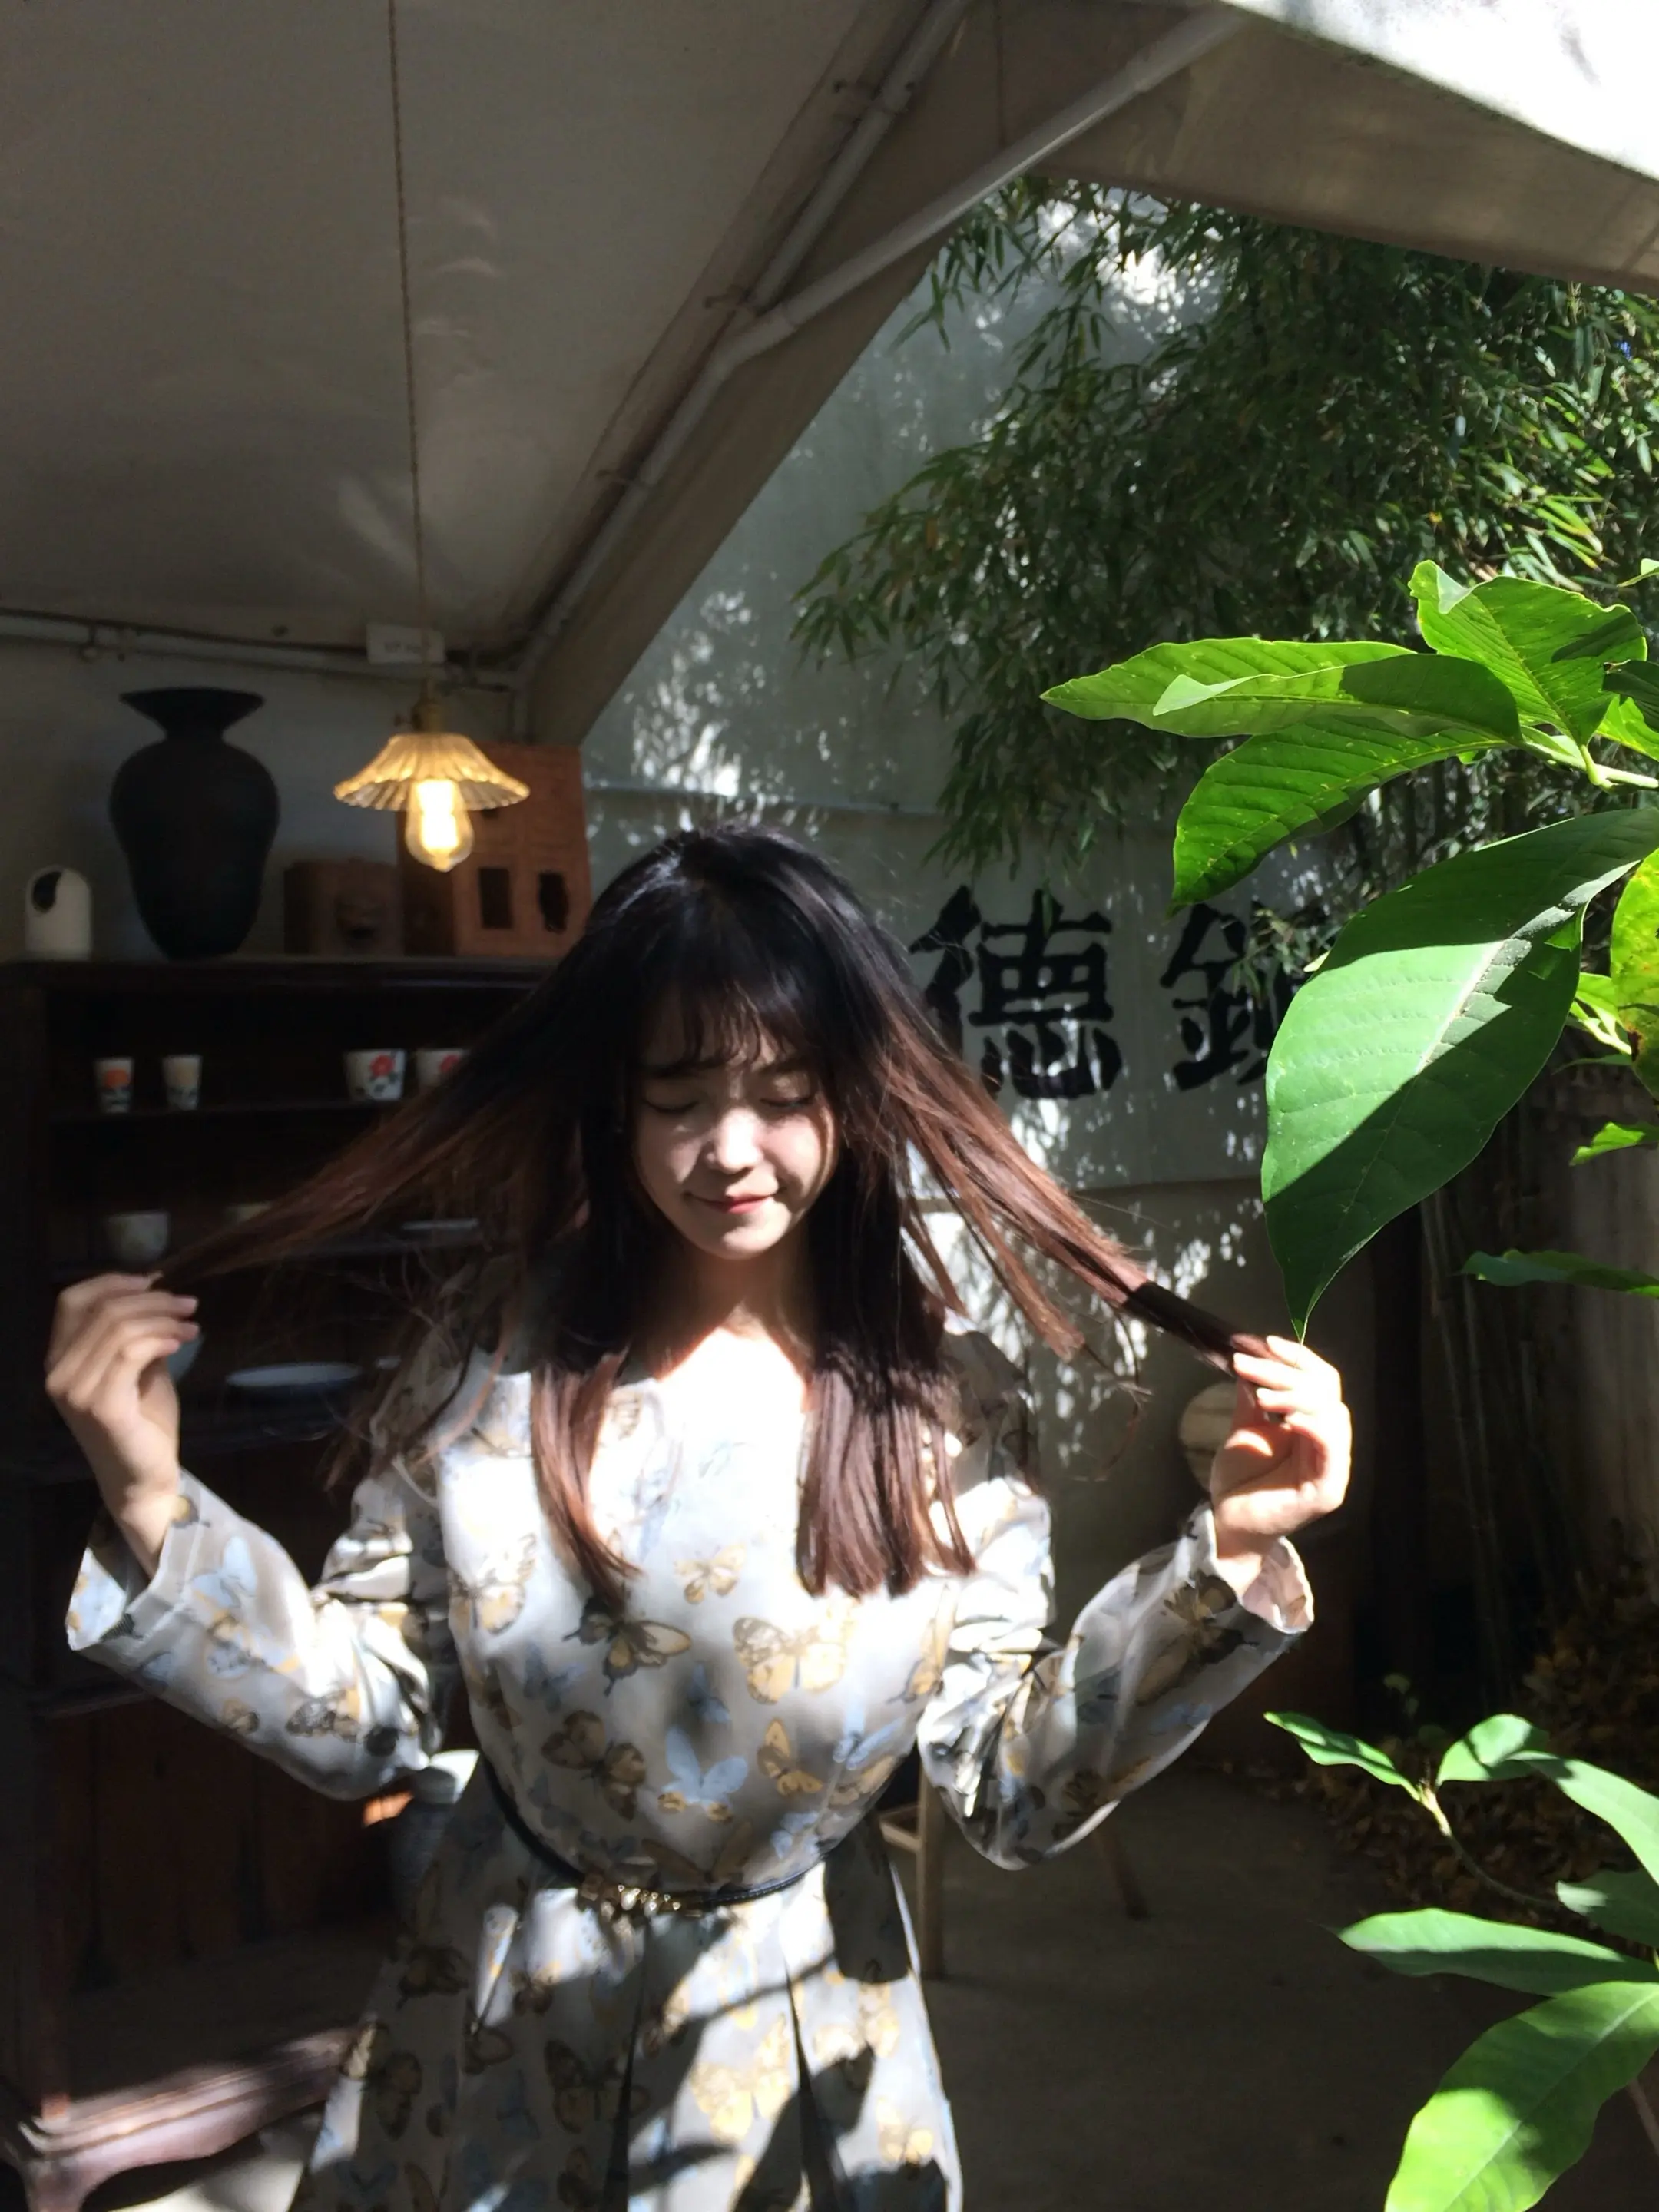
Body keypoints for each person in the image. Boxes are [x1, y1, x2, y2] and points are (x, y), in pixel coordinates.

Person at [50, 827, 1349, 2212]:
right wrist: (150, 1499)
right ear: (615, 1103)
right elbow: (364, 1716)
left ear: (855, 1096)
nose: (733, 1150)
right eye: (678, 1095)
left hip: (792, 2057)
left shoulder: (945, 1403)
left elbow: (1012, 1792)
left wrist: (1229, 1558)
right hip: (492, 2031)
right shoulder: (494, 1361)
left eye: (785, 1095)